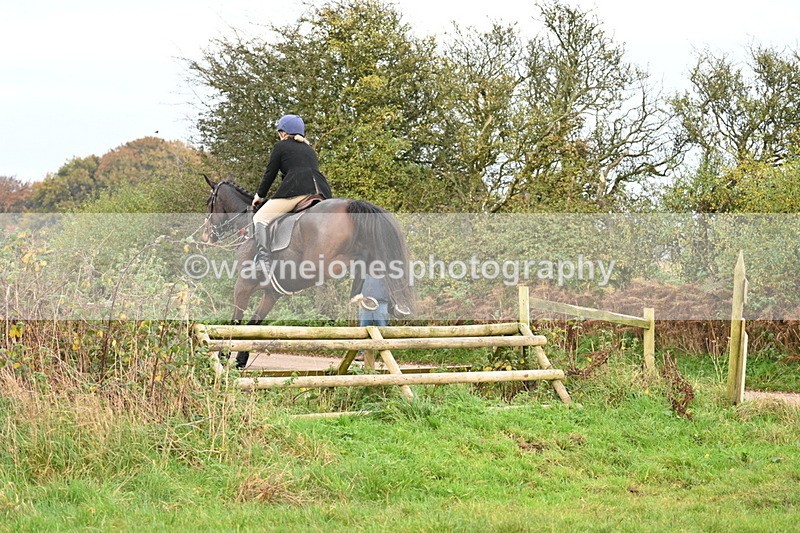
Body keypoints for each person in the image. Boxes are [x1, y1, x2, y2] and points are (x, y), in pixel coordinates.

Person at [252, 114, 332, 265]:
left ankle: (263, 261)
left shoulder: (280, 146)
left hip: (298, 189)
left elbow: (270, 173)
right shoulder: (310, 149)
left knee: (260, 219)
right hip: (321, 191)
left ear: (283, 133)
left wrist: (260, 196)